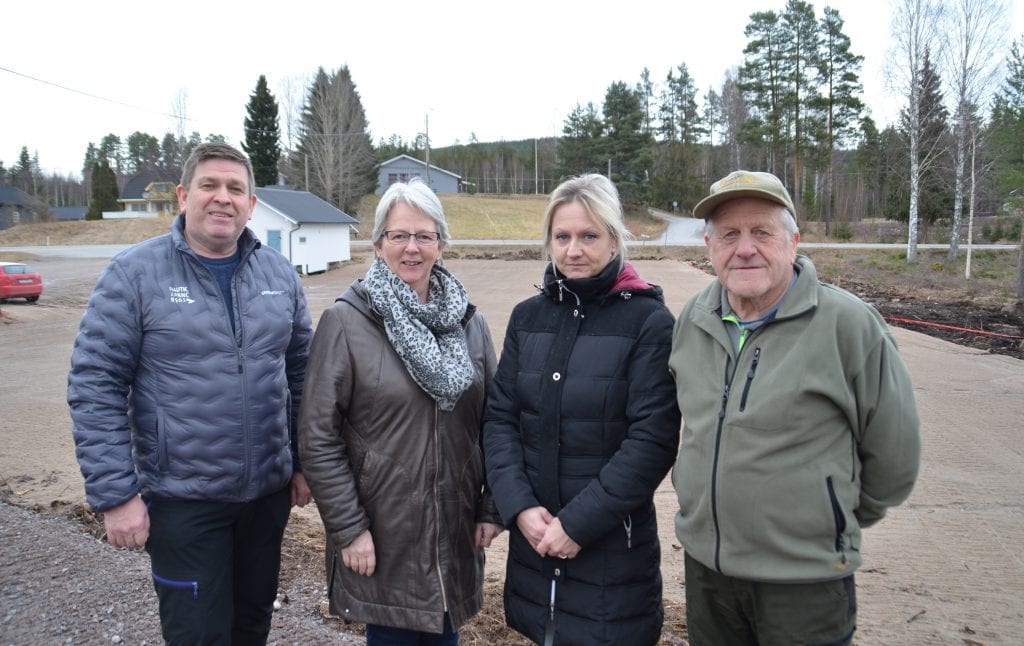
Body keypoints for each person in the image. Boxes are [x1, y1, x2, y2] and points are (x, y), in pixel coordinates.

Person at [68, 142, 313, 645]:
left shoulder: (279, 275)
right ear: (184, 195)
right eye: (209, 185)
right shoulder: (134, 275)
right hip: (183, 502)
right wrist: (116, 496)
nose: (222, 198)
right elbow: (96, 385)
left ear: (250, 204)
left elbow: (302, 375)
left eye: (235, 189)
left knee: (251, 627)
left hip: (266, 499)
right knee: (198, 635)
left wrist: (303, 463)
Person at [669, 170, 922, 645]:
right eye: (729, 235)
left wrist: (827, 518)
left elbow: (895, 457)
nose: (744, 248)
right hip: (707, 571)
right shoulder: (695, 319)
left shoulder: (847, 326)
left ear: (793, 241)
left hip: (803, 582)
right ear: (709, 245)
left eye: (761, 232)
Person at [297, 179, 502, 645]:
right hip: (383, 536)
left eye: (424, 236)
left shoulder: (471, 324)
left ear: (441, 246)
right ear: (377, 245)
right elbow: (317, 436)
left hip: (454, 532)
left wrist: (491, 505)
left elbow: (496, 423)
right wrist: (349, 529)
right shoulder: (347, 322)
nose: (412, 248)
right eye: (399, 236)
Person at [482, 174, 681, 645]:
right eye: (563, 236)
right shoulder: (527, 318)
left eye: (589, 236)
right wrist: (520, 507)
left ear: (614, 238)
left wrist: (578, 524)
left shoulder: (648, 322)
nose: (574, 250)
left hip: (611, 550)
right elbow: (500, 419)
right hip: (535, 542)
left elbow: (651, 440)